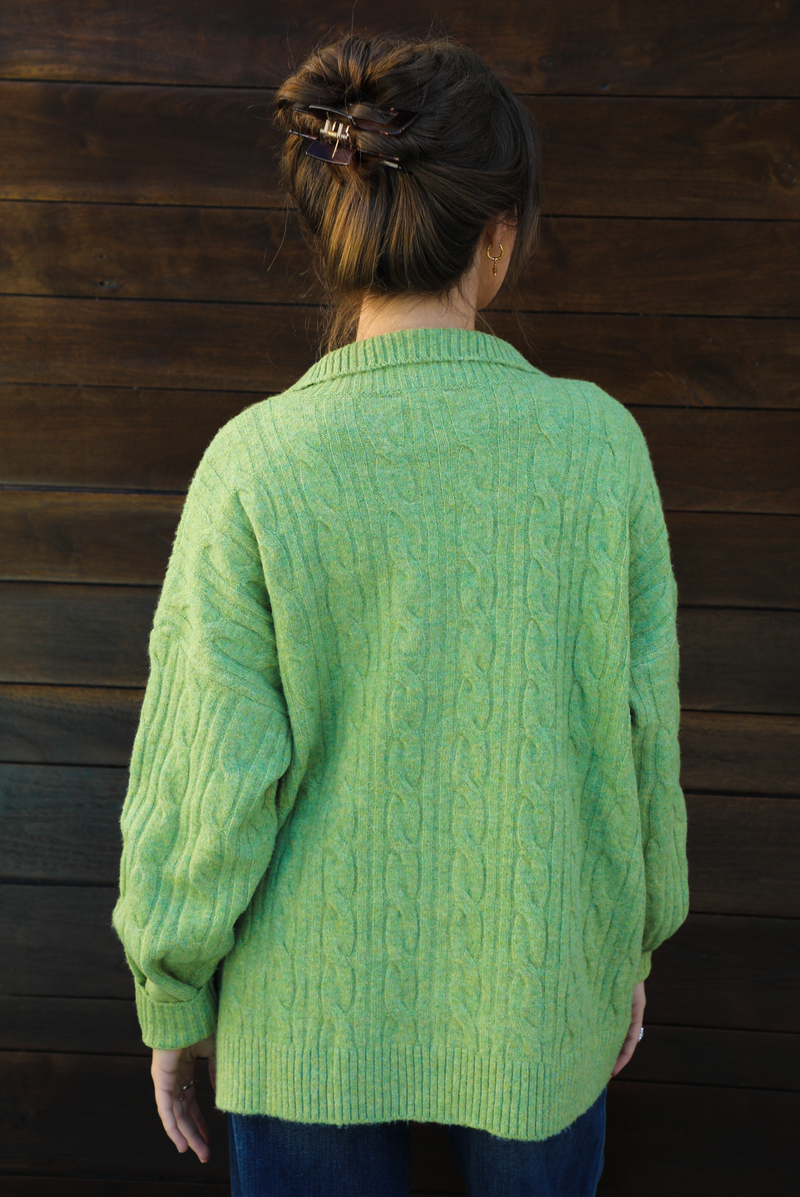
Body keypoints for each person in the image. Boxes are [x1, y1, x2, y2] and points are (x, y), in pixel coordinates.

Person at [112, 31, 689, 1197]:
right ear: (497, 233)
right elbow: (641, 731)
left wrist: (170, 992)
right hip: (538, 995)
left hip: (303, 1015)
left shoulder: (256, 461)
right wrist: (630, 938)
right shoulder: (598, 449)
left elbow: (206, 763)